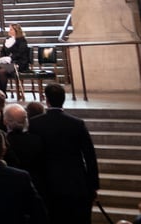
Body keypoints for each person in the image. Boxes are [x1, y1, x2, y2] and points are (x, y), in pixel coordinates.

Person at [30, 83, 99, 224]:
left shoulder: (35, 124)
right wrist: (93, 186)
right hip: (76, 184)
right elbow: (90, 157)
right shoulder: (77, 124)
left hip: (48, 185)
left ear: (46, 100)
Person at [0, 24, 31, 95]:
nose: (9, 31)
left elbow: (20, 53)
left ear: (16, 31)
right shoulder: (7, 40)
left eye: (11, 29)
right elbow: (2, 51)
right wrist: (2, 58)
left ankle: (2, 93)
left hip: (19, 63)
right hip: (7, 63)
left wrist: (10, 58)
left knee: (1, 72)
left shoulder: (22, 40)